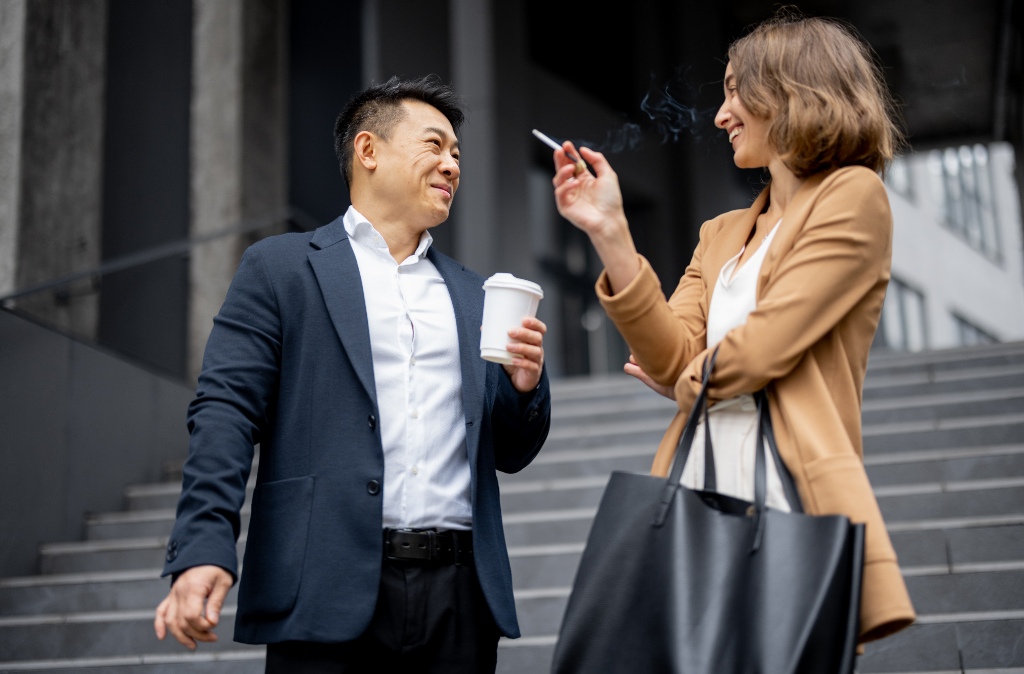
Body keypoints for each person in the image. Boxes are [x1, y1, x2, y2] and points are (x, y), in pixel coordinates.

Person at [153, 74, 551, 673]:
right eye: (435, 146)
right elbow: (225, 412)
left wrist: (524, 387)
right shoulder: (280, 269)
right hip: (323, 586)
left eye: (458, 154)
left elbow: (511, 451)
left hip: (461, 603)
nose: (451, 166)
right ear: (368, 151)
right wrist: (204, 546)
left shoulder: (474, 296)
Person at [547, 10, 915, 645]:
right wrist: (611, 234)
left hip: (790, 487)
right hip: (698, 476)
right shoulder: (719, 234)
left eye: (735, 90)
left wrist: (691, 381)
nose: (721, 115)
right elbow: (672, 357)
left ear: (793, 90)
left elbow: (762, 347)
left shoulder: (854, 197)